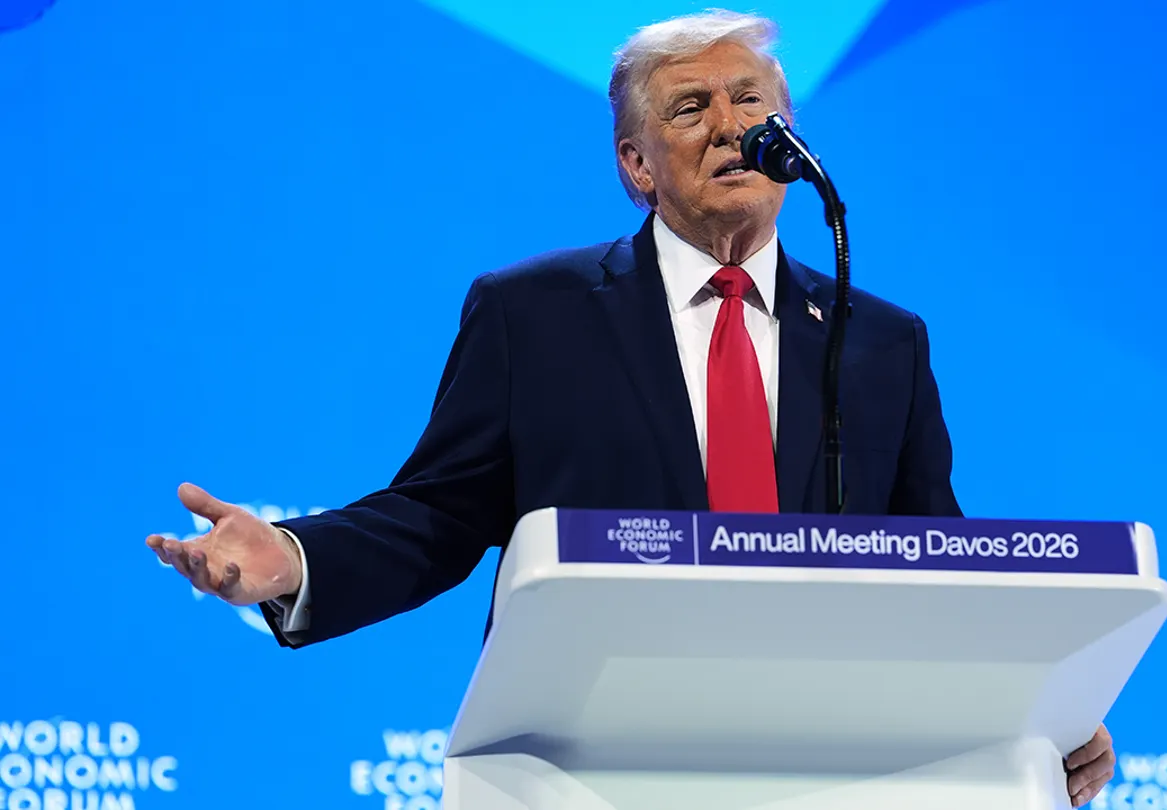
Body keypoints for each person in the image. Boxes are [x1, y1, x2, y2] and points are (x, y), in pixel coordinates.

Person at [144, 10, 1115, 805]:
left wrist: (1031, 713)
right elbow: (441, 512)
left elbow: (933, 565)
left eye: (752, 102)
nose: (733, 126)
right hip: (599, 772)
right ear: (637, 165)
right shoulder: (534, 314)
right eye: (692, 107)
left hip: (833, 772)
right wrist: (296, 557)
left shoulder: (882, 339)